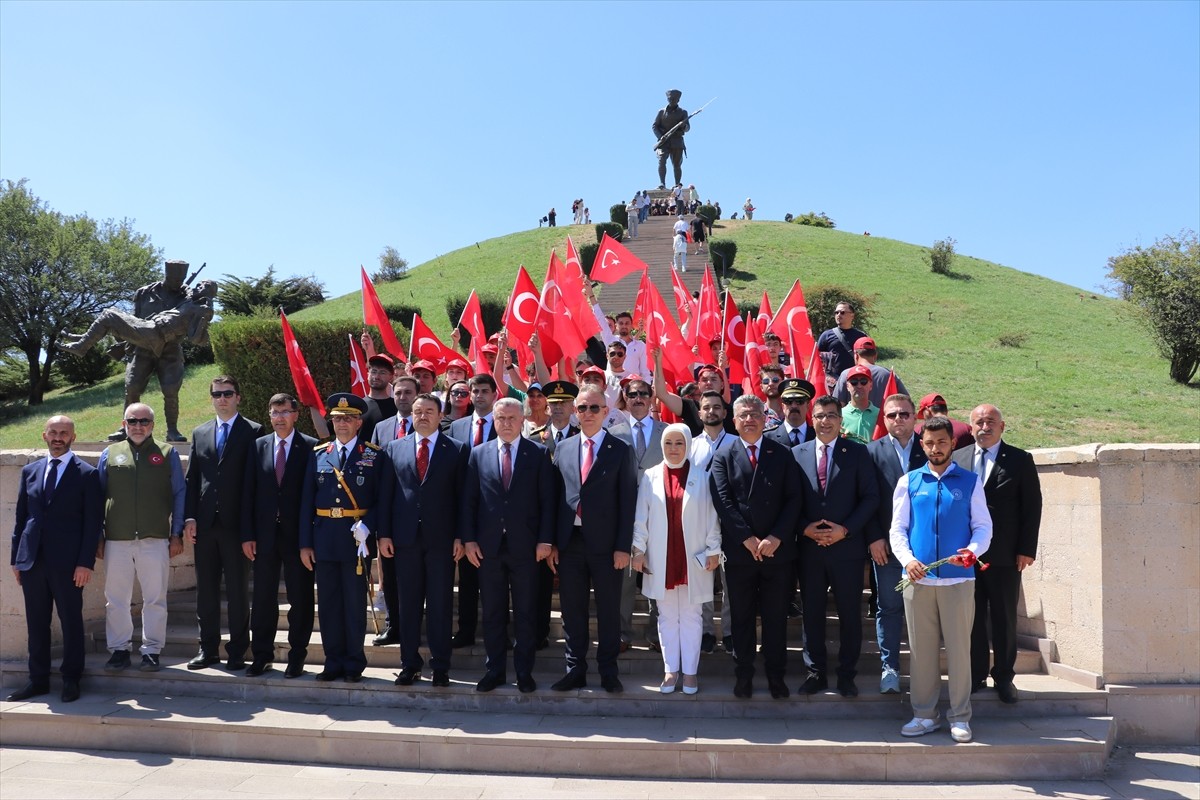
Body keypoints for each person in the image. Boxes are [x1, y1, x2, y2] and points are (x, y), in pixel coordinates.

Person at [891, 417, 993, 744]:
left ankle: (960, 717)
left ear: (953, 444)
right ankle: (923, 715)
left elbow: (983, 527)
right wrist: (908, 561)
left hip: (958, 582)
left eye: (942, 442)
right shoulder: (909, 482)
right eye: (930, 443)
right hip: (918, 582)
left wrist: (973, 551)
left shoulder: (970, 482)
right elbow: (898, 530)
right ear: (922, 445)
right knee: (921, 651)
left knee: (960, 651)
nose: (936, 448)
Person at [709, 395, 802, 699]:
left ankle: (776, 676)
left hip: (777, 553)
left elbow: (793, 500)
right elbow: (723, 501)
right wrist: (746, 538)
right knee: (742, 617)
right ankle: (743, 674)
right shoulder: (723, 455)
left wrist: (776, 537)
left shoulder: (782, 453)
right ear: (733, 421)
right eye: (743, 415)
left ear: (766, 419)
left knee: (776, 618)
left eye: (755, 414)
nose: (749, 419)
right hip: (740, 553)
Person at [460, 398, 556, 693]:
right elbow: (469, 501)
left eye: (511, 418)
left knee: (526, 612)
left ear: (523, 418)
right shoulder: (478, 454)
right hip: (488, 548)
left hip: (526, 548)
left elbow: (547, 502)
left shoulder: (538, 454)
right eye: (500, 418)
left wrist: (545, 540)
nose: (505, 423)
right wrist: (469, 540)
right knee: (492, 612)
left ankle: (524, 672)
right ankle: (495, 671)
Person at [8, 415, 102, 703]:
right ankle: (38, 680)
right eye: (53, 432)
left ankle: (71, 679)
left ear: (73, 437)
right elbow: (22, 517)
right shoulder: (31, 471)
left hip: (69, 563)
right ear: (44, 435)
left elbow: (93, 523)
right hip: (32, 559)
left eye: (64, 433)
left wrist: (85, 562)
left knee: (70, 620)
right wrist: (16, 558)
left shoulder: (87, 474)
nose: (58, 437)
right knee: (36, 622)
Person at [377, 393, 469, 687]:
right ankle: (410, 664)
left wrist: (460, 536)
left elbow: (462, 499)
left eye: (429, 411)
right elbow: (386, 496)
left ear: (440, 415)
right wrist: (385, 534)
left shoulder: (456, 449)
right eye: (418, 411)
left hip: (442, 540)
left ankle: (441, 665)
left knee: (440, 604)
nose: (423, 416)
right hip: (405, 540)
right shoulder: (394, 448)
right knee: (408, 604)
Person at [550, 385, 638, 693]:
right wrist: (551, 542)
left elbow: (628, 501)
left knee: (608, 610)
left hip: (606, 546)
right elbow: (554, 498)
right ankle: (574, 669)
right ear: (575, 412)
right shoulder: (562, 448)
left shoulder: (621, 449)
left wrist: (622, 546)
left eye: (594, 408)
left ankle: (608, 671)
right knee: (572, 611)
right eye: (582, 408)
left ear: (606, 411)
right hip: (570, 542)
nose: (588, 414)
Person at [953, 404, 1042, 705]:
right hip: (967, 556)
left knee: (1004, 618)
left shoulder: (1020, 460)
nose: (984, 427)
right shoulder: (958, 459)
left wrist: (1026, 550)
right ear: (971, 427)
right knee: (972, 618)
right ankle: (976, 674)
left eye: (990, 422)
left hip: (1005, 555)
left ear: (1002, 427)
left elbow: (1032, 508)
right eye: (978, 422)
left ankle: (1004, 676)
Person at [792, 396, 880, 698]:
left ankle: (846, 674)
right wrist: (804, 527)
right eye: (819, 416)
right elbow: (789, 501)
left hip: (847, 550)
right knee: (812, 614)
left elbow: (870, 497)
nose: (825, 421)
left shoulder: (857, 453)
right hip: (810, 550)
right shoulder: (796, 454)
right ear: (810, 419)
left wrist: (846, 530)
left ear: (841, 421)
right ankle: (815, 672)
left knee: (849, 615)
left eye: (832, 415)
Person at [298, 393, 383, 683]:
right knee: (330, 603)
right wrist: (305, 543)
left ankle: (353, 663)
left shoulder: (373, 455)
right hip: (324, 538)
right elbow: (306, 502)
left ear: (359, 422)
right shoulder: (319, 454)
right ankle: (332, 661)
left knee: (354, 603)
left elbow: (382, 500)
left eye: (348, 418)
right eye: (336, 419)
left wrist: (368, 526)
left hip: (355, 539)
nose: (342, 424)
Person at [632, 424, 722, 694]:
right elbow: (641, 517)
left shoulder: (702, 477)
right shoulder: (650, 477)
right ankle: (671, 671)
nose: (673, 449)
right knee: (667, 616)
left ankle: (691, 673)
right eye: (669, 443)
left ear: (688, 446)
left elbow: (712, 518)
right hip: (662, 557)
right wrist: (638, 549)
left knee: (693, 616)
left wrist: (714, 549)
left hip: (692, 557)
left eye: (679, 443)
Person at [183, 376, 263, 671]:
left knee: (239, 591)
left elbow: (255, 484)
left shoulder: (253, 431)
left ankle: (238, 650)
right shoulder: (200, 432)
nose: (222, 399)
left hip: (237, 527)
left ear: (238, 397)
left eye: (228, 393)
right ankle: (208, 649)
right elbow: (193, 480)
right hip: (205, 525)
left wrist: (250, 529)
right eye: (217, 394)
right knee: (206, 590)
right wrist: (189, 517)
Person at [98, 403, 186, 673]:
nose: (138, 426)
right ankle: (120, 650)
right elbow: (98, 496)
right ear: (124, 424)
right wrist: (98, 535)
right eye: (132, 421)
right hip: (117, 539)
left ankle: (151, 651)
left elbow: (179, 493)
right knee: (116, 599)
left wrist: (176, 533)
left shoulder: (167, 453)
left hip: (155, 538)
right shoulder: (110, 453)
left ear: (153, 424)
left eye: (144, 421)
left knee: (155, 598)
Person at [240, 393, 316, 678]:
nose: (280, 417)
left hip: (298, 539)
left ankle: (298, 656)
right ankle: (261, 655)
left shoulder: (310, 447)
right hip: (264, 537)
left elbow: (312, 496)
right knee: (262, 598)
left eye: (285, 412)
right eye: (275, 412)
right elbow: (248, 493)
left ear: (296, 414)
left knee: (301, 598)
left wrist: (309, 540)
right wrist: (247, 534)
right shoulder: (258, 446)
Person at [866, 393, 927, 694]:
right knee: (889, 607)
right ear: (884, 419)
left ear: (915, 417)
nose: (898, 420)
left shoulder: (930, 448)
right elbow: (867, 499)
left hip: (927, 548)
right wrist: (874, 537)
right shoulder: (871, 451)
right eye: (892, 415)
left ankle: (924, 669)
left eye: (904, 414)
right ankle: (889, 667)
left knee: (925, 610)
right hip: (888, 548)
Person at [607, 378, 668, 650]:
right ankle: (622, 633)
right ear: (625, 398)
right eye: (633, 394)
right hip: (625, 515)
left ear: (652, 397)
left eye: (644, 393)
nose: (639, 398)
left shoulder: (667, 431)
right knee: (625, 581)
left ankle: (658, 633)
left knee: (658, 576)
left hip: (660, 515)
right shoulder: (613, 432)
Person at [445, 373, 501, 648]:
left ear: (494, 394)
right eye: (474, 391)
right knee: (467, 580)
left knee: (498, 580)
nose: (478, 395)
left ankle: (500, 632)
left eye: (483, 391)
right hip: (466, 514)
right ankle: (466, 630)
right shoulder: (456, 428)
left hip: (496, 515)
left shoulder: (504, 425)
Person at [111, 261, 193, 442]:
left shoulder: (186, 295)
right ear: (166, 275)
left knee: (171, 389)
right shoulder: (144, 292)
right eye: (173, 278)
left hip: (170, 348)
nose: (177, 282)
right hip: (143, 347)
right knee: (132, 387)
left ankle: (172, 430)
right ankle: (127, 428)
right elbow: (134, 318)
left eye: (180, 279)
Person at [834, 336, 908, 409]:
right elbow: (906, 401)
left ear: (856, 355)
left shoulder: (846, 374)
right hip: (883, 420)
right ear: (875, 356)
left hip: (853, 420)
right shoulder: (888, 374)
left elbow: (838, 405)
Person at [817, 301, 869, 394]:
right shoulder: (826, 335)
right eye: (836, 312)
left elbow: (867, 358)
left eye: (842, 312)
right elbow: (817, 359)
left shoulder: (861, 336)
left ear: (852, 316)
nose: (839, 315)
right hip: (832, 383)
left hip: (855, 381)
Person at [652, 89, 690, 189]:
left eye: (674, 99)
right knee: (661, 160)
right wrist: (661, 137)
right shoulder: (661, 112)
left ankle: (677, 184)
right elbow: (654, 126)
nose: (672, 100)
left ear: (678, 100)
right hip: (664, 141)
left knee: (677, 164)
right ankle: (662, 183)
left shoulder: (683, 112)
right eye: (670, 98)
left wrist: (683, 125)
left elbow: (687, 128)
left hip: (677, 141)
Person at [765, 378, 816, 447]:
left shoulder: (819, 436)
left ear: (808, 406)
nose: (794, 406)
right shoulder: (767, 438)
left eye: (799, 401)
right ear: (783, 406)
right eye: (788, 401)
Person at [359, 353, 398, 436]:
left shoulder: (397, 408)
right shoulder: (358, 406)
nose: (376, 376)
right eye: (374, 371)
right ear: (368, 374)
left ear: (391, 377)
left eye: (382, 373)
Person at [839, 365, 879, 444]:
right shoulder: (839, 414)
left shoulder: (880, 415)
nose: (859, 386)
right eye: (854, 382)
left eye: (863, 381)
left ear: (870, 385)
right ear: (847, 386)